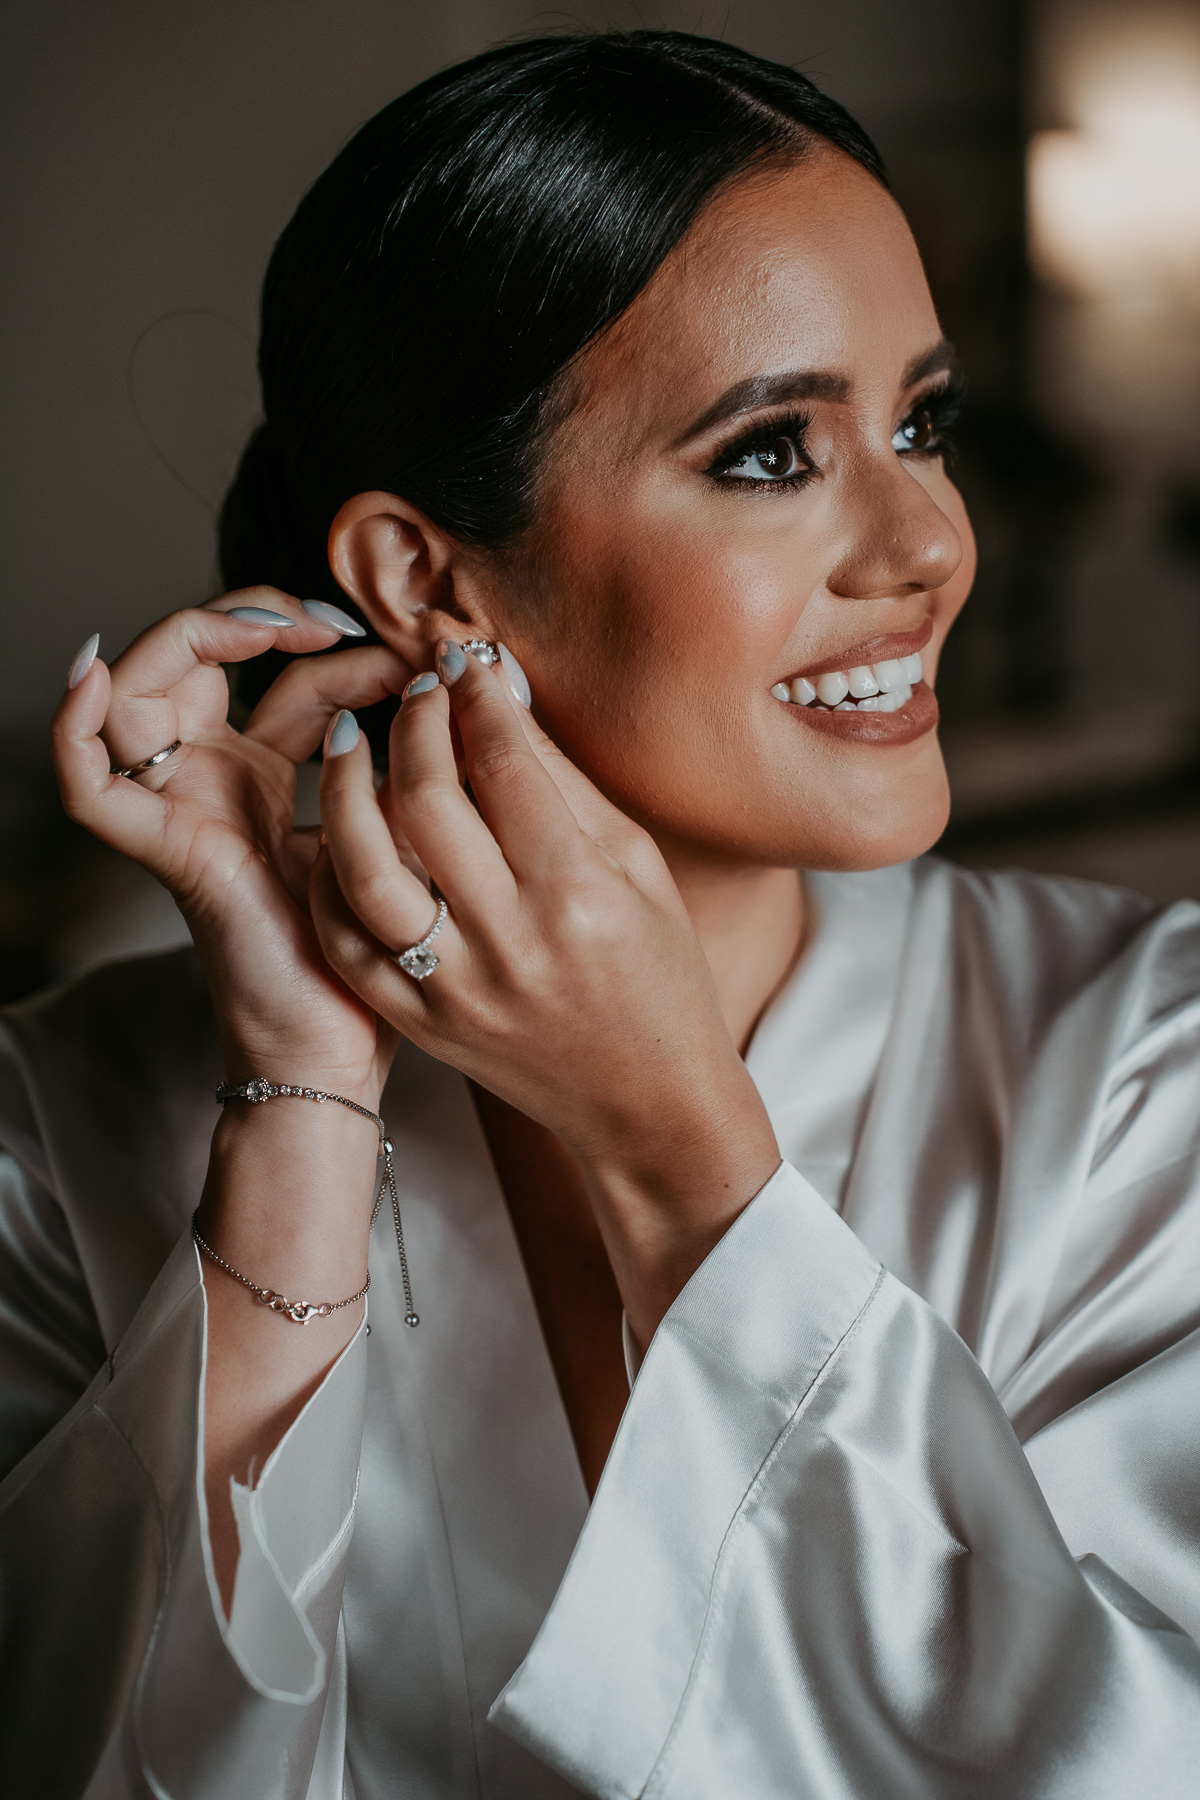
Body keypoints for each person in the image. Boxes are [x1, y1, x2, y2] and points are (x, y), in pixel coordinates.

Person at [2, 28, 1198, 1798]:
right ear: (422, 575)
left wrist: (678, 1149)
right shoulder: (57, 1125)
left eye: (920, 424)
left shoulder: (1143, 1068)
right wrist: (306, 1101)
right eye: (774, 452)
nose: (931, 541)